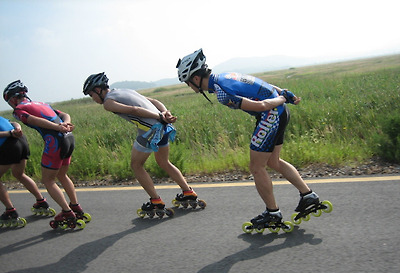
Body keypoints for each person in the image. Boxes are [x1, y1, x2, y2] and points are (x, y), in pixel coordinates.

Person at [176, 49, 320, 225]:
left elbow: (262, 105)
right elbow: (261, 85)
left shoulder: (222, 92)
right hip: (279, 112)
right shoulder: (226, 75)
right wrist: (282, 92)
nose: (190, 87)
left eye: (188, 83)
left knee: (257, 167)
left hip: (270, 113)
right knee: (273, 162)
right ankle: (308, 195)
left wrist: (282, 98)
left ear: (196, 79)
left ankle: (273, 213)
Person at [83, 72, 198, 213]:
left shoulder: (108, 103)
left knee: (136, 165)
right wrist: (165, 113)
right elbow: (154, 101)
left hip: (150, 130)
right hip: (163, 127)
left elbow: (134, 110)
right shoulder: (125, 90)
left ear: (98, 90)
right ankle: (188, 192)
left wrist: (161, 116)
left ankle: (156, 201)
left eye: (91, 94)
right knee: (164, 162)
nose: (92, 98)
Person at [3, 80, 88, 226]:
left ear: (12, 98)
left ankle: (67, 212)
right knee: (62, 174)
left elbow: (33, 120)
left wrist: (57, 127)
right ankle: (75, 206)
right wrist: (65, 124)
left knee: (48, 180)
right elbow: (65, 114)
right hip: (69, 138)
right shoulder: (41, 103)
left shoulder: (19, 109)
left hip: (55, 140)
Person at [0, 116, 48, 226]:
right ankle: (41, 202)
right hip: (21, 141)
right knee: (19, 174)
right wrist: (17, 129)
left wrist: (10, 134)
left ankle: (10, 211)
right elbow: (14, 123)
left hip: (8, 144)